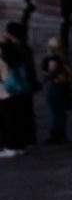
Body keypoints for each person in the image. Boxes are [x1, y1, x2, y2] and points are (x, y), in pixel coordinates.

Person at [1, 22, 38, 154]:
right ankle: (25, 142)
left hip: (15, 87)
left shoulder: (15, 48)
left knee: (12, 117)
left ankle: (14, 145)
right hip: (24, 86)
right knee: (23, 115)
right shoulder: (24, 47)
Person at [40, 36, 72, 144]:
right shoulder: (62, 56)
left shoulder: (53, 57)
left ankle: (55, 135)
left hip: (54, 85)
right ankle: (61, 134)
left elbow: (52, 70)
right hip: (61, 85)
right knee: (60, 111)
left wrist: (44, 80)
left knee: (54, 111)